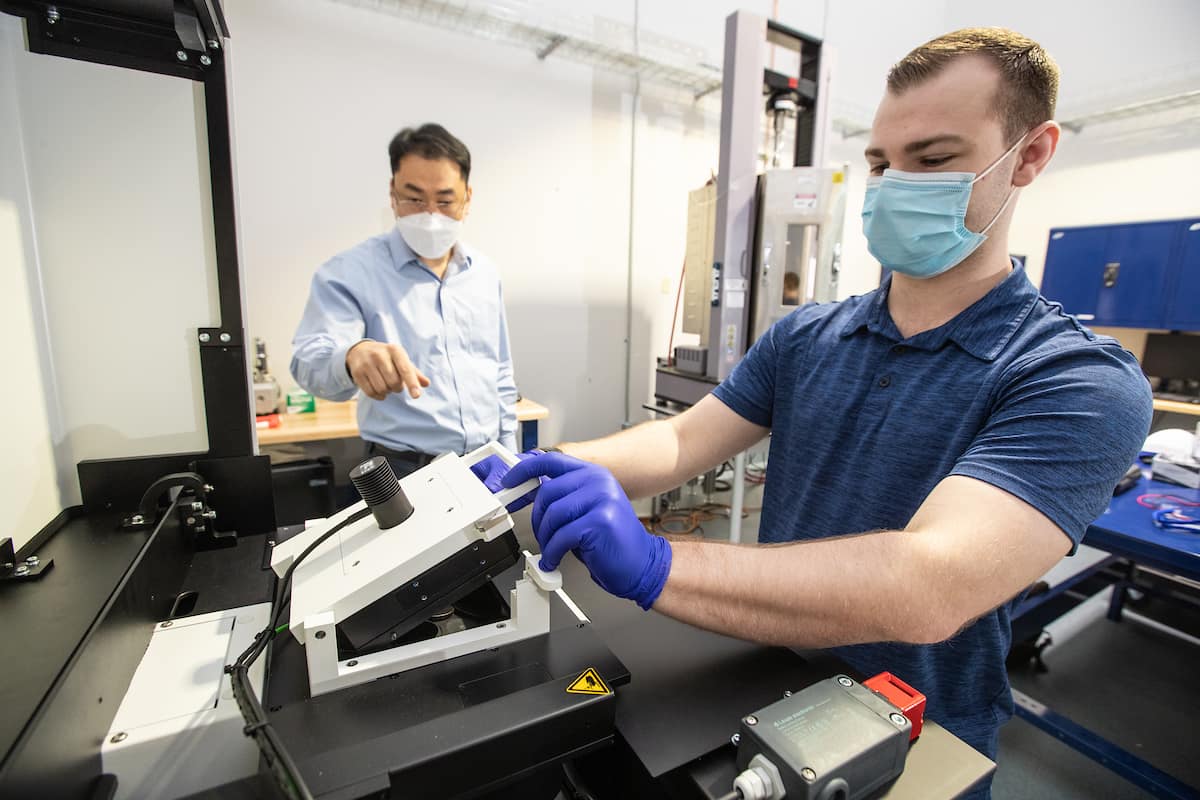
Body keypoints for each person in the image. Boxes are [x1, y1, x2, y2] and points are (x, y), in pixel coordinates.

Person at [476, 28, 1151, 796]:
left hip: (914, 732)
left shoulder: (1075, 378)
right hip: (764, 681)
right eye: (879, 164)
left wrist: (660, 563)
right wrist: (556, 464)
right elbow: (681, 439)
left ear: (1029, 155)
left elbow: (931, 584)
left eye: (931, 161)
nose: (895, 186)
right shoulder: (810, 336)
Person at [292, 123, 518, 479]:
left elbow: (500, 370)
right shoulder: (349, 272)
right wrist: (352, 357)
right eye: (414, 198)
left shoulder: (484, 273)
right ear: (393, 194)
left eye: (444, 201)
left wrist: (510, 455)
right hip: (404, 469)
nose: (430, 215)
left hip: (487, 462)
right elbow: (308, 362)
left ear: (467, 199)